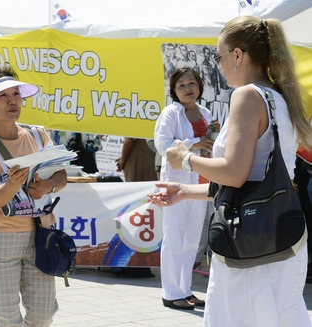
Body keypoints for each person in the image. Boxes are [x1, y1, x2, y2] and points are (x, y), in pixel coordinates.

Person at [148, 16, 312, 326]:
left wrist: (185, 158)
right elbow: (254, 180)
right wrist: (185, 191)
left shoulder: (247, 96)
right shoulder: (280, 98)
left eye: (220, 56)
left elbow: (235, 173)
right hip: (281, 233)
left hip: (249, 244)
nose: (219, 66)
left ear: (238, 55)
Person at [0, 66, 67, 326]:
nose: (13, 100)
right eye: (3, 96)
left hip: (41, 234)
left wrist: (48, 186)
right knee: (7, 317)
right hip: (0, 238)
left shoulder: (38, 134)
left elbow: (62, 175)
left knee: (43, 313)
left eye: (16, 94)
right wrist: (12, 183)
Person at [154, 66, 217, 310]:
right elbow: (164, 146)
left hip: (201, 182)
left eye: (192, 83)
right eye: (182, 85)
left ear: (200, 86)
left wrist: (215, 138)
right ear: (174, 91)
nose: (188, 89)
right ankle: (170, 293)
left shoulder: (205, 112)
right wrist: (195, 143)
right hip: (177, 183)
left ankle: (186, 290)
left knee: (192, 239)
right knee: (174, 237)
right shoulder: (171, 113)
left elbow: (210, 145)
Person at [112, 137, 157, 278]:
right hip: (152, 160)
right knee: (148, 212)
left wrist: (123, 161)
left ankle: (132, 263)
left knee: (135, 211)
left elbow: (128, 140)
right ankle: (142, 263)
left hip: (138, 160)